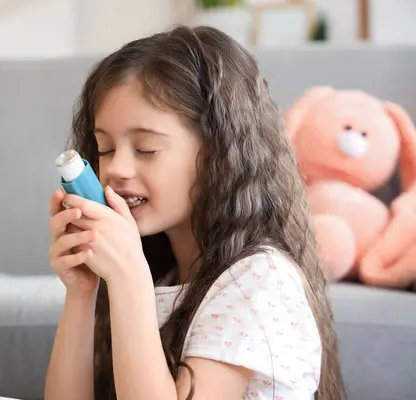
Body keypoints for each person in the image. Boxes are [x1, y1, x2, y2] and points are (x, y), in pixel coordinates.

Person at [44, 25, 345, 400]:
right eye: (105, 149)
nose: (117, 169)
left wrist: (128, 278)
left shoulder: (258, 279)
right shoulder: (167, 274)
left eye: (146, 149)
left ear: (220, 154)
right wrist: (82, 291)